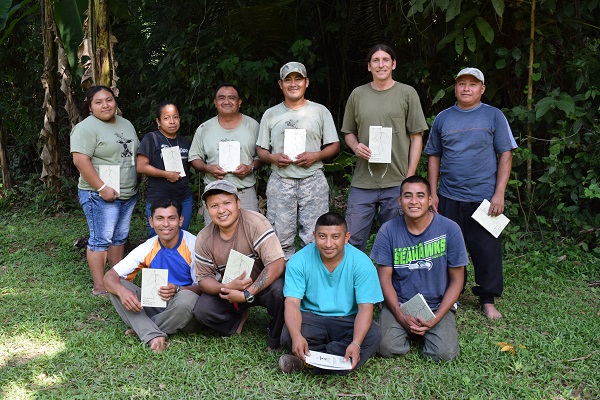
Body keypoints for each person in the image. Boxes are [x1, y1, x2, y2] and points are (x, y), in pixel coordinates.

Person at [424, 67, 518, 319]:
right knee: (447, 249)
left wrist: (499, 194)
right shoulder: (443, 118)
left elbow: (505, 155)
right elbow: (434, 156)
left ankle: (487, 300)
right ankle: (450, 295)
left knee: (487, 250)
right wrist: (433, 193)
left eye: (473, 84)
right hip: (449, 196)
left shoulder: (494, 116)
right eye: (462, 83)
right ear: (455, 87)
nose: (466, 88)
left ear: (482, 89)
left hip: (485, 198)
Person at [370, 176, 468, 361]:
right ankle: (402, 328)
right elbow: (384, 279)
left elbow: (457, 280)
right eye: (408, 196)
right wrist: (400, 315)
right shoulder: (388, 230)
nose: (414, 201)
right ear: (400, 201)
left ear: (430, 200)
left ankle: (431, 328)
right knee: (385, 347)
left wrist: (437, 318)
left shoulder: (450, 229)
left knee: (443, 354)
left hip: (436, 306)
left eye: (420, 196)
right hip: (400, 303)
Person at [342, 44, 428, 251]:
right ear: (369, 67)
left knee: (399, 241)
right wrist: (355, 146)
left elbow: (417, 137)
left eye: (386, 60)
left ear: (394, 64)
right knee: (351, 240)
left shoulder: (407, 93)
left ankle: (395, 283)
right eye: (376, 61)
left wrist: (409, 177)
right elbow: (348, 132)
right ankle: (354, 282)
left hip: (397, 181)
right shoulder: (357, 94)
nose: (381, 65)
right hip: (364, 181)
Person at [278, 212, 383, 375]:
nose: (328, 244)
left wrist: (355, 343)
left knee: (373, 335)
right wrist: (297, 335)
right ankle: (335, 360)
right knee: (288, 334)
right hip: (312, 317)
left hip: (347, 320)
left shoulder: (362, 263)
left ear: (346, 237)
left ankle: (306, 363)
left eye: (335, 237)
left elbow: (365, 308)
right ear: (314, 236)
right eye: (322, 236)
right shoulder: (299, 260)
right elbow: (292, 303)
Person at [257, 62, 340, 260]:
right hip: (281, 180)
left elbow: (334, 145)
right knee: (279, 237)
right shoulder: (271, 114)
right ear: (280, 84)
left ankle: (312, 283)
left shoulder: (320, 111)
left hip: (312, 180)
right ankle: (283, 284)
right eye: (288, 80)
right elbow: (261, 149)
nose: (293, 84)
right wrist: (272, 158)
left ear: (306, 82)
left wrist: (316, 155)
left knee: (315, 236)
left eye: (298, 79)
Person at [192, 180, 285, 350]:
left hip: (263, 286)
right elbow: (204, 279)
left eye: (227, 203)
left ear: (238, 203)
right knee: (203, 310)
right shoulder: (204, 238)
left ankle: (276, 332)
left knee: (281, 290)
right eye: (214, 206)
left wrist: (247, 293)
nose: (221, 210)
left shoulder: (255, 223)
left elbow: (277, 264)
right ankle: (236, 320)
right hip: (230, 289)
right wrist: (224, 287)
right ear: (207, 209)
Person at [103, 198, 202, 352]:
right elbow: (109, 276)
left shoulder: (194, 244)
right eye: (160, 218)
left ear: (180, 220)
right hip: (155, 303)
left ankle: (144, 329)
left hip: (183, 310)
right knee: (117, 286)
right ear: (151, 221)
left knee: (188, 298)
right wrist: (122, 292)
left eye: (171, 218)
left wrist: (177, 289)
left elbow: (203, 287)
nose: (166, 224)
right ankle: (152, 331)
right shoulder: (148, 247)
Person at [70, 85, 139, 297]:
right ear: (90, 107)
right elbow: (80, 160)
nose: (105, 105)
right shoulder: (86, 128)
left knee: (119, 237)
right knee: (101, 239)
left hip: (126, 192)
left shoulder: (125, 123)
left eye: (108, 100)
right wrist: (101, 187)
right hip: (99, 193)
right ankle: (100, 286)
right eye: (98, 102)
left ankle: (114, 280)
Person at [189, 83, 262, 225]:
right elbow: (194, 157)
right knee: (215, 239)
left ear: (239, 102)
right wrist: (207, 168)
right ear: (215, 103)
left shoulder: (253, 126)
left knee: (249, 235)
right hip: (215, 193)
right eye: (221, 98)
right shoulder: (204, 128)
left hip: (244, 192)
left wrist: (251, 167)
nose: (226, 101)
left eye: (232, 98)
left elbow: (262, 155)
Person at [137, 102, 193, 237]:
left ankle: (178, 259)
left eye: (176, 117)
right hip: (159, 198)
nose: (172, 122)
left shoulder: (185, 142)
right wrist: (165, 174)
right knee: (158, 237)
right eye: (166, 118)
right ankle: (157, 259)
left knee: (181, 236)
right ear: (159, 121)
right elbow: (141, 166)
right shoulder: (152, 139)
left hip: (183, 198)